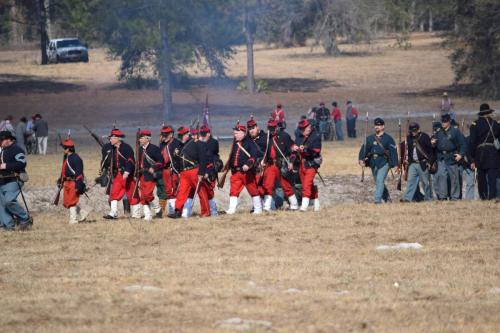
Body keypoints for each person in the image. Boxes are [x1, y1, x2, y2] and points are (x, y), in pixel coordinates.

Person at [168, 126, 206, 219]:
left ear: (187, 134)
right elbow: (177, 160)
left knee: (201, 192)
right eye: (179, 136)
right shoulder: (179, 146)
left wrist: (201, 172)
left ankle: (205, 212)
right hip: (184, 173)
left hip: (194, 170)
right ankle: (177, 211)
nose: (180, 137)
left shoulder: (196, 143)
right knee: (181, 192)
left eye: (182, 135)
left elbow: (203, 159)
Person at [103, 129, 142, 219]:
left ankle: (136, 215)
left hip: (128, 175)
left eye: (112, 138)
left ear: (118, 139)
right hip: (119, 174)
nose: (110, 140)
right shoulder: (112, 148)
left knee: (132, 194)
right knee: (114, 193)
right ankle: (113, 213)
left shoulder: (126, 148)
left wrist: (127, 172)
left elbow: (131, 161)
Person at [261, 119, 299, 211]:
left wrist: (291, 162)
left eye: (273, 127)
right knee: (268, 185)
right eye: (270, 128)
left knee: (285, 185)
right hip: (271, 165)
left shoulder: (284, 136)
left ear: (277, 127)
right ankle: (267, 207)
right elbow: (265, 151)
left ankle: (294, 205)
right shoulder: (266, 138)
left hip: (282, 164)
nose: (272, 130)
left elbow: (293, 151)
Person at [358, 118, 399, 204]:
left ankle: (377, 200)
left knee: (380, 180)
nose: (377, 127)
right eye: (376, 125)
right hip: (373, 162)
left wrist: (396, 165)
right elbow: (364, 149)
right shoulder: (369, 138)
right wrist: (361, 159)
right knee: (378, 182)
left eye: (379, 125)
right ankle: (387, 197)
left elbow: (393, 152)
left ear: (383, 126)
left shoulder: (388, 139)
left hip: (384, 162)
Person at [226, 123, 262, 215]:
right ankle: (231, 209)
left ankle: (258, 209)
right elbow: (232, 156)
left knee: (253, 190)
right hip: (236, 172)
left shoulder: (250, 143)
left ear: (243, 133)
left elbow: (253, 156)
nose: (235, 135)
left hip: (247, 172)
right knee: (233, 191)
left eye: (236, 133)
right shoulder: (235, 143)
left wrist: (247, 165)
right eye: (234, 133)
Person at [0, 131, 31, 230]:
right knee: (1, 204)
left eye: (1, 140)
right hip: (2, 181)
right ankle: (8, 226)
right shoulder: (2, 150)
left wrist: (6, 166)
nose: (0, 142)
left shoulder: (17, 149)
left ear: (8, 139)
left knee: (8, 201)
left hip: (13, 179)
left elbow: (22, 163)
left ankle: (24, 218)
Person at [431, 113, 466, 200]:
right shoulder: (438, 131)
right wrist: (432, 143)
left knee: (454, 178)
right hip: (441, 157)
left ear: (449, 121)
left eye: (445, 121)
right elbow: (433, 145)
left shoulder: (455, 131)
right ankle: (443, 196)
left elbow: (463, 144)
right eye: (442, 121)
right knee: (441, 177)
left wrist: (461, 155)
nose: (443, 123)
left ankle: (455, 197)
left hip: (451, 157)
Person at [469, 103, 500, 200]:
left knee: (481, 177)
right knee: (492, 178)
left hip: (480, 153)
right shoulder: (496, 124)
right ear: (489, 113)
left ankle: (483, 197)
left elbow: (472, 142)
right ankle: (493, 197)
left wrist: (472, 158)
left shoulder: (475, 124)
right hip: (494, 153)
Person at [293, 119, 322, 211]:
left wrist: (305, 149)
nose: (302, 131)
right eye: (301, 129)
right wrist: (294, 149)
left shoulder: (316, 137)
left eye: (304, 128)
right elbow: (293, 150)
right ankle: (316, 204)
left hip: (312, 163)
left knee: (306, 185)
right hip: (301, 164)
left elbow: (316, 152)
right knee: (309, 185)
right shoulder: (299, 137)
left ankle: (304, 207)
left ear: (309, 128)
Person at [400, 122, 434, 202]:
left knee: (426, 182)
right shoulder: (408, 138)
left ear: (419, 129)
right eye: (412, 131)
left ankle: (428, 198)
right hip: (413, 163)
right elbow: (405, 148)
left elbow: (430, 151)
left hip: (423, 163)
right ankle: (408, 198)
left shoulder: (425, 137)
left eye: (415, 130)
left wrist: (430, 162)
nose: (413, 132)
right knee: (410, 181)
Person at [58, 138, 88, 224]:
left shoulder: (76, 158)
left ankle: (73, 220)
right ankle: (82, 213)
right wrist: (61, 180)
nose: (64, 150)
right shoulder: (68, 157)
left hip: (73, 182)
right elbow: (64, 170)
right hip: (67, 182)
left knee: (71, 201)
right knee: (67, 201)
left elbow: (79, 174)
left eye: (65, 148)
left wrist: (78, 185)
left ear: (68, 149)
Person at [137, 129, 164, 220]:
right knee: (143, 196)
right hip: (142, 175)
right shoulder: (140, 149)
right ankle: (147, 215)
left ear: (147, 139)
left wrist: (154, 167)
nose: (140, 139)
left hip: (150, 175)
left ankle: (158, 209)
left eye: (141, 138)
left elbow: (161, 161)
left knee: (148, 194)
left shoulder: (154, 148)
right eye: (140, 138)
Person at [198, 125, 221, 217]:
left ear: (209, 133)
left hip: (211, 169)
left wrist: (200, 143)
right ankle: (208, 211)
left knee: (210, 191)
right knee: (203, 191)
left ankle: (213, 211)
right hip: (202, 169)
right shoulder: (200, 142)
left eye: (204, 134)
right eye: (201, 134)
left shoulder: (213, 142)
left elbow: (208, 152)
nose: (203, 135)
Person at [158, 125, 182, 215]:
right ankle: (172, 211)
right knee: (168, 191)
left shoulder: (177, 144)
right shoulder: (162, 144)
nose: (163, 137)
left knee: (174, 190)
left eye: (165, 135)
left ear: (171, 134)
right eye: (162, 135)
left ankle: (174, 211)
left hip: (173, 170)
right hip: (164, 171)